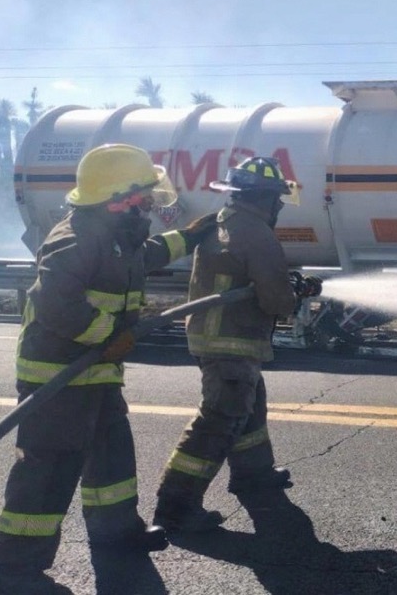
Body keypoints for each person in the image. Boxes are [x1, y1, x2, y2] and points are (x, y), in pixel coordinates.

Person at [0, 143, 219, 595]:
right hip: (57, 380)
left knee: (112, 461)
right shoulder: (74, 238)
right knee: (47, 474)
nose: (151, 204)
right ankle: (15, 574)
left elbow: (147, 254)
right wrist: (107, 337)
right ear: (122, 198)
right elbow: (54, 302)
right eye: (145, 196)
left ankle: (116, 535)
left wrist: (191, 236)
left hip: (96, 375)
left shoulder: (118, 236)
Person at [152, 157, 321, 533]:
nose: (279, 206)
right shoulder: (256, 232)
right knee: (220, 420)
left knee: (250, 410)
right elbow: (276, 300)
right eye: (276, 199)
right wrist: (295, 291)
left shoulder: (225, 220)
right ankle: (175, 507)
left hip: (220, 338)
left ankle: (254, 475)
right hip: (230, 342)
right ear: (263, 198)